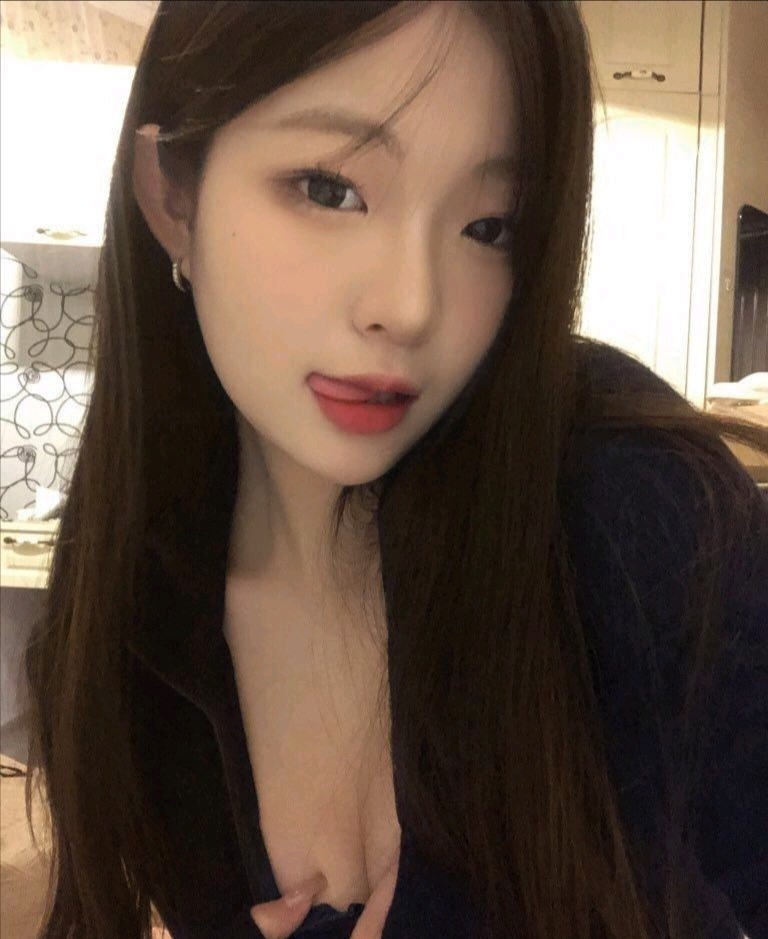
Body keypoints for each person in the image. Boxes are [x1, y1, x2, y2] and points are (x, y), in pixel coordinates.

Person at [19, 2, 768, 939]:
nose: (411, 305)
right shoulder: (134, 627)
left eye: (489, 226)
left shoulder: (640, 509)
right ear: (173, 196)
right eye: (329, 189)